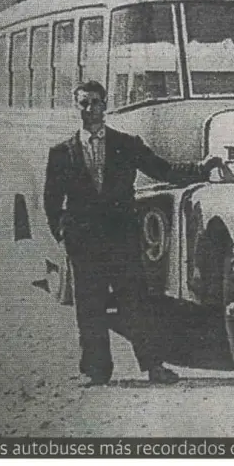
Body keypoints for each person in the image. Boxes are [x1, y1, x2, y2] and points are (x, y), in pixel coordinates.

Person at [43, 80, 223, 386]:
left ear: (105, 106)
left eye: (95, 102)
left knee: (137, 306)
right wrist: (64, 234)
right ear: (77, 108)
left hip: (121, 240)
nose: (89, 109)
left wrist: (201, 169)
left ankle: (154, 367)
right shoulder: (61, 152)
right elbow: (51, 201)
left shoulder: (125, 144)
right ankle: (95, 371)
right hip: (84, 244)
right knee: (90, 308)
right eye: (83, 103)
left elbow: (162, 170)